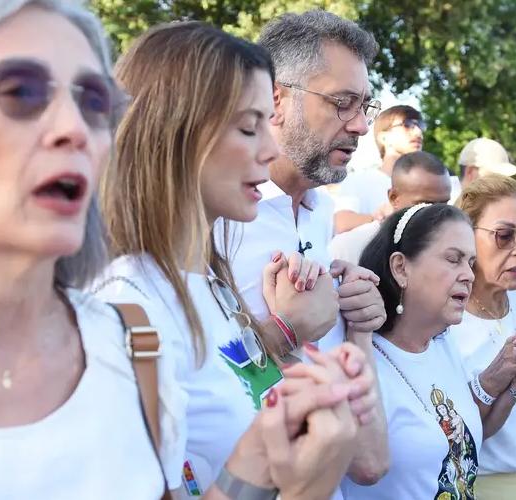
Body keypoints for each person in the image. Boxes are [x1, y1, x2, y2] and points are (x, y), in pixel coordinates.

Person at [92, 22, 376, 500]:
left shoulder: (207, 281)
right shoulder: (125, 308)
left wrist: (313, 397)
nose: (269, 149)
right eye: (249, 127)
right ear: (173, 131)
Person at [220, 10, 391, 487]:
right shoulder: (217, 215)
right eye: (342, 103)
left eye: (365, 106)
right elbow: (184, 375)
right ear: (275, 99)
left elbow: (370, 464)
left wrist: (357, 320)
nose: (361, 126)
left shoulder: (320, 211)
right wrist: (284, 329)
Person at [343, 203, 516, 499]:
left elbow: (466, 437)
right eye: (453, 260)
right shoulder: (360, 354)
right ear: (401, 268)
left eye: (470, 262)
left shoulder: (441, 343)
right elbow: (366, 469)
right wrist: (360, 334)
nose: (469, 275)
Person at [450, 175, 516, 499]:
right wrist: (497, 377)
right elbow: (448, 430)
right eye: (504, 236)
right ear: (465, 236)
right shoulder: (445, 321)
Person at [329, 151, 451, 264]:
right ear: (394, 197)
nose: (437, 214)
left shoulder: (453, 247)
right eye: (425, 204)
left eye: (443, 204)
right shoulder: (348, 249)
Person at [334, 105, 425, 233]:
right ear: (383, 138)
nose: (418, 132)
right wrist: (382, 218)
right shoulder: (359, 180)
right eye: (407, 125)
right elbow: (342, 223)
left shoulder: (427, 185)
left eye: (421, 126)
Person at [452, 138, 516, 203]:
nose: (501, 185)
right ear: (470, 172)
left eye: (504, 179)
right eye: (494, 177)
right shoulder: (448, 203)